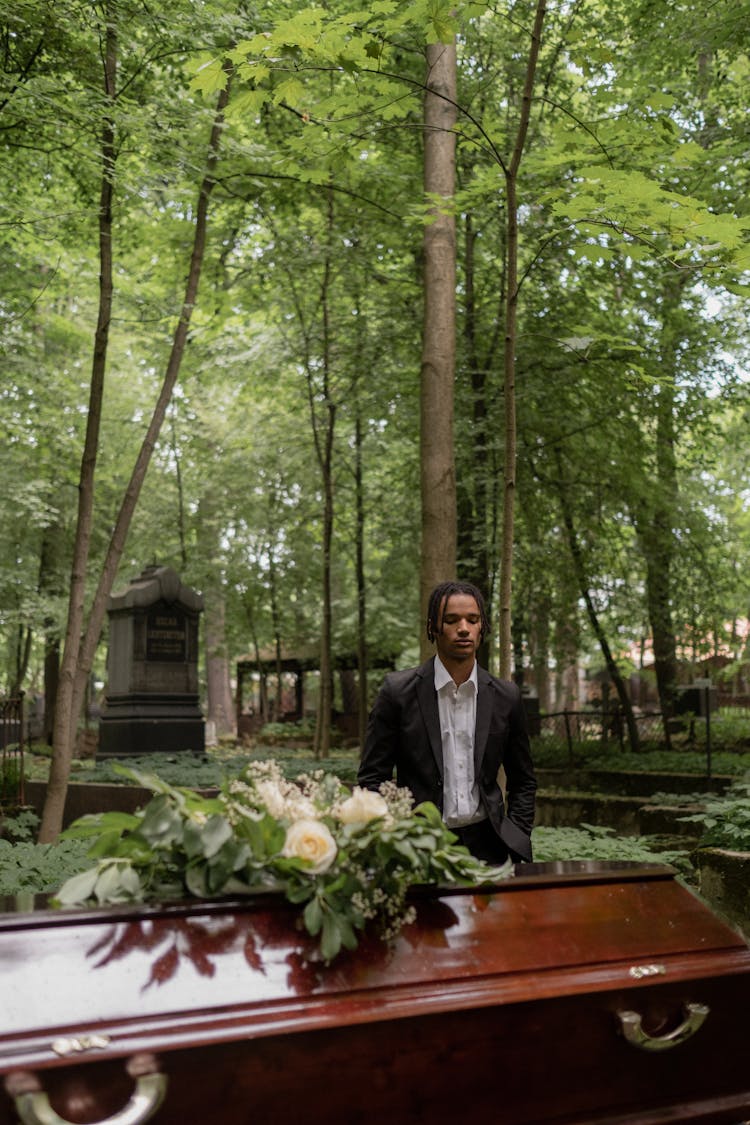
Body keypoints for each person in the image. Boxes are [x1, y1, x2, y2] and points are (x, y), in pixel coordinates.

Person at [358, 580, 537, 865]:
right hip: (419, 846)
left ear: (482, 628)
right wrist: (396, 835)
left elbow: (523, 779)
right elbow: (371, 778)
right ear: (433, 627)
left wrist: (516, 832)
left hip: (489, 846)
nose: (463, 628)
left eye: (473, 620)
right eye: (451, 620)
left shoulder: (507, 696)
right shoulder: (397, 692)